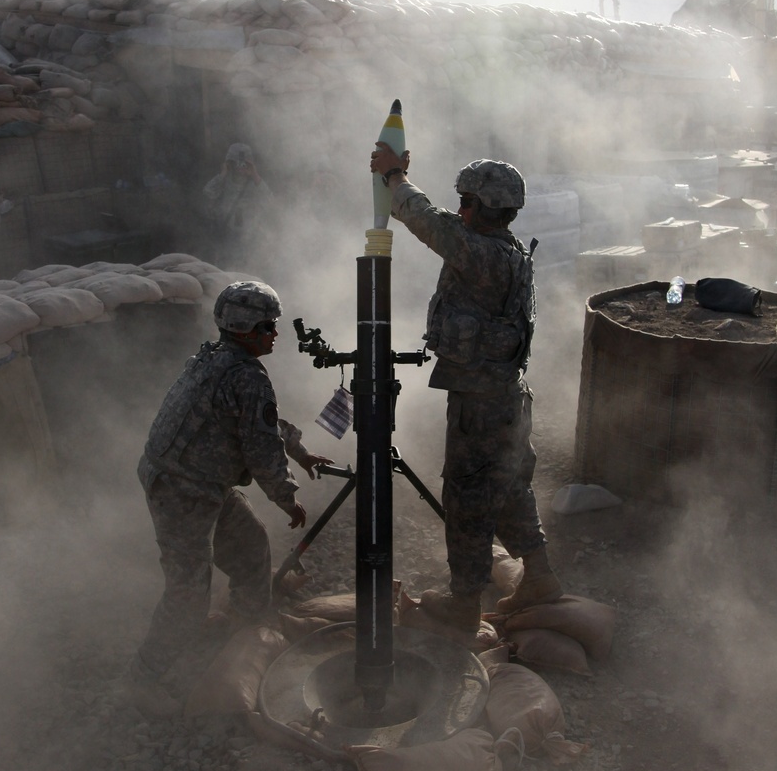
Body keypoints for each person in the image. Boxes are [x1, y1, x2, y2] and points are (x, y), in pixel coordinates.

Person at [369, 144, 562, 634]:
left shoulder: (480, 251)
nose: (460, 210)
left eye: (465, 201)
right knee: (511, 486)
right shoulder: (509, 250)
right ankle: (539, 576)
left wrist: (393, 175)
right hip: (508, 397)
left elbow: (426, 220)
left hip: (480, 402)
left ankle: (464, 605)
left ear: (479, 206)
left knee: (468, 496)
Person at [129, 279, 329, 717]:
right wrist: (287, 497)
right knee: (187, 593)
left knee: (251, 547)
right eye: (270, 327)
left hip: (201, 485)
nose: (275, 334)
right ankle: (143, 679)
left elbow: (260, 423)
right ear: (249, 329)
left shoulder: (218, 359)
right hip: (182, 492)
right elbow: (260, 450)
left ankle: (246, 624)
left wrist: (300, 450)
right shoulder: (243, 374)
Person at [201, 143, 275, 266]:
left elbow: (269, 200)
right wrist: (223, 174)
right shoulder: (224, 181)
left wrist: (255, 175)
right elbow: (207, 192)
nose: (241, 167)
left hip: (249, 236)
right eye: (237, 163)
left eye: (244, 164)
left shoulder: (255, 183)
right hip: (226, 234)